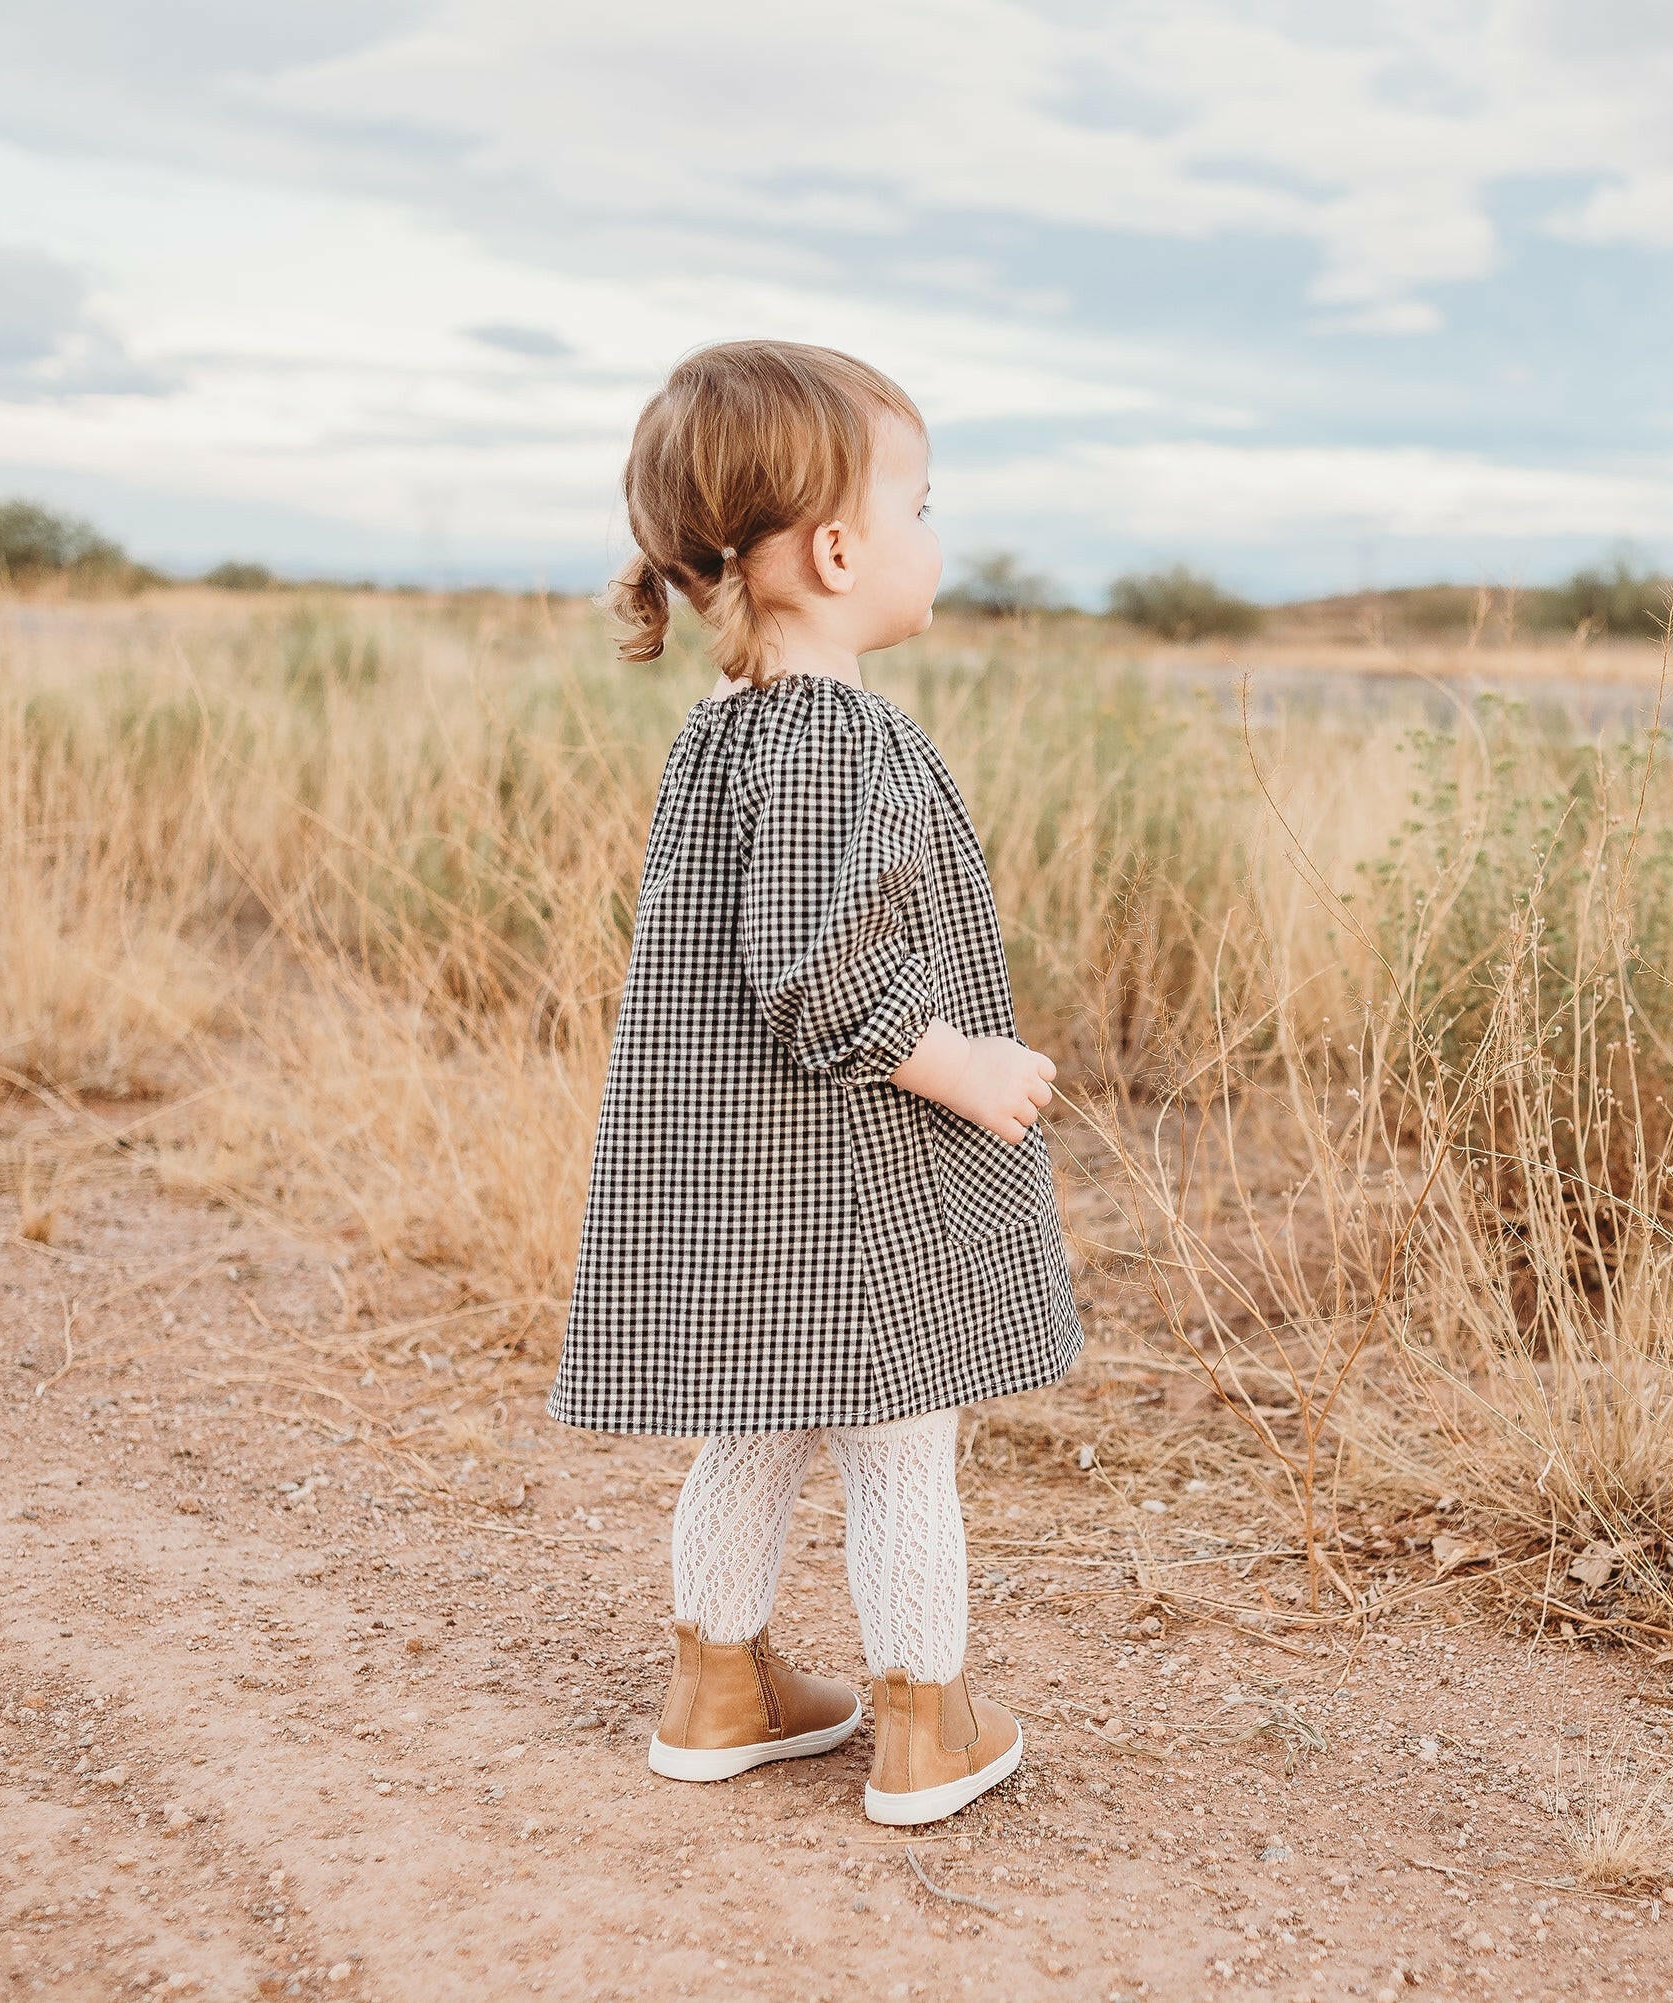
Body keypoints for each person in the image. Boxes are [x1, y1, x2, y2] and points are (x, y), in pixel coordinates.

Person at [548, 339, 1083, 1827]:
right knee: (908, 1433)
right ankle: (925, 1720)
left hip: (748, 1181)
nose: (931, 540)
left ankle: (720, 1688)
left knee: (759, 1417)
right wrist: (958, 1062)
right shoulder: (843, 739)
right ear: (840, 550)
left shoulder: (725, 737)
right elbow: (812, 971)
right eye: (922, 508)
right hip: (854, 1174)